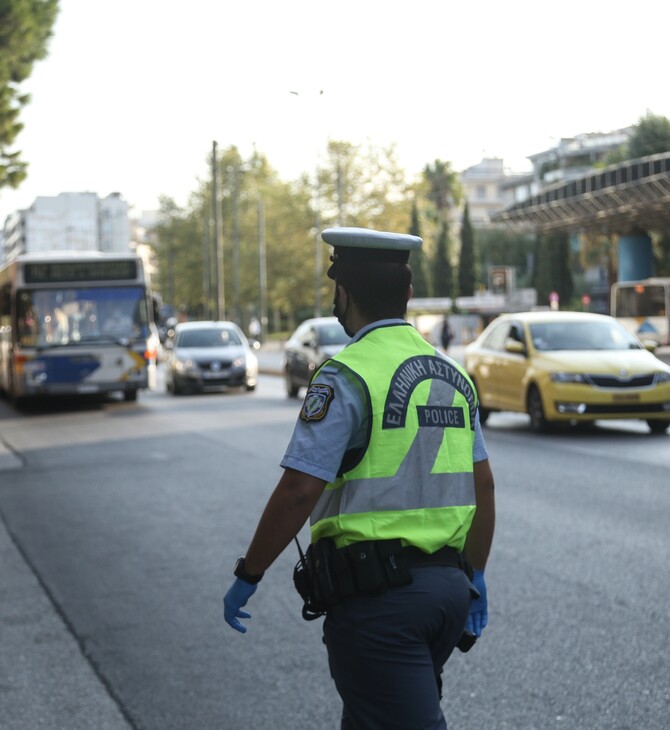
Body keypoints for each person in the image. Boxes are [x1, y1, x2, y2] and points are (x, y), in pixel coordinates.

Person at [223, 226, 496, 729]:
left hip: (381, 606)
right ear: (408, 295)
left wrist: (249, 573)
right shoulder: (452, 374)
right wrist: (475, 575)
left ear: (342, 294)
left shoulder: (345, 374)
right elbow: (483, 487)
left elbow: (299, 490)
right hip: (448, 595)